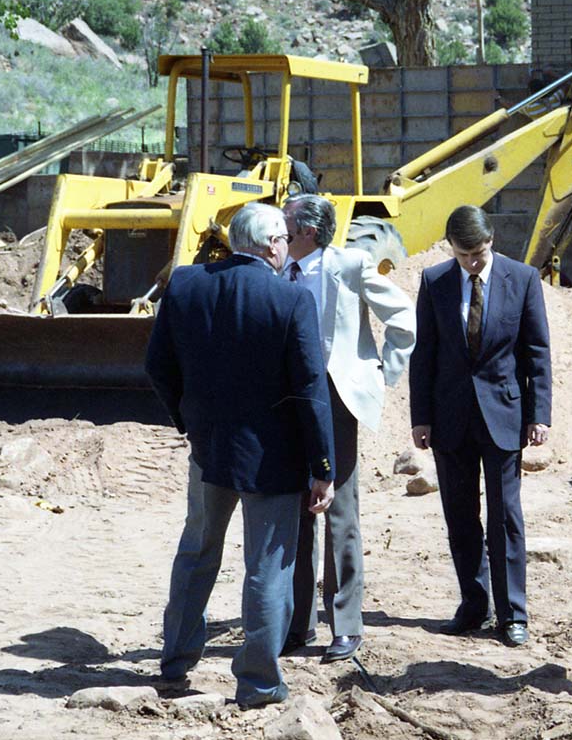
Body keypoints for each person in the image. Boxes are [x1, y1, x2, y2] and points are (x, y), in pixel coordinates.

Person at [145, 202, 336, 708]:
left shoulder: (187, 284)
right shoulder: (291, 298)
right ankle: (259, 683)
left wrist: (188, 420)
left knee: (196, 553)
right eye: (284, 240)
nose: (286, 247)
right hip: (273, 460)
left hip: (208, 450)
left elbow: (158, 365)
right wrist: (322, 466)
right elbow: (310, 388)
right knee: (267, 569)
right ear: (272, 245)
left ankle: (175, 663)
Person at [280, 195, 417, 663]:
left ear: (308, 232)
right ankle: (298, 622)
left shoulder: (351, 265)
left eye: (286, 224)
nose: (279, 232)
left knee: (338, 510)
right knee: (296, 510)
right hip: (288, 402)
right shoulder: (277, 269)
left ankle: (346, 624)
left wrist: (379, 374)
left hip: (336, 399)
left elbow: (402, 317)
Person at [409, 205, 551, 647]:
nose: (473, 262)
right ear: (451, 248)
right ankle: (473, 605)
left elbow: (537, 352)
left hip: (504, 415)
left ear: (492, 241)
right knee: (460, 514)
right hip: (450, 418)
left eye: (480, 253)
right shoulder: (434, 281)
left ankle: (513, 614)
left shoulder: (522, 279)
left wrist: (539, 414)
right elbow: (424, 353)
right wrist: (421, 416)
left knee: (505, 516)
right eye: (464, 255)